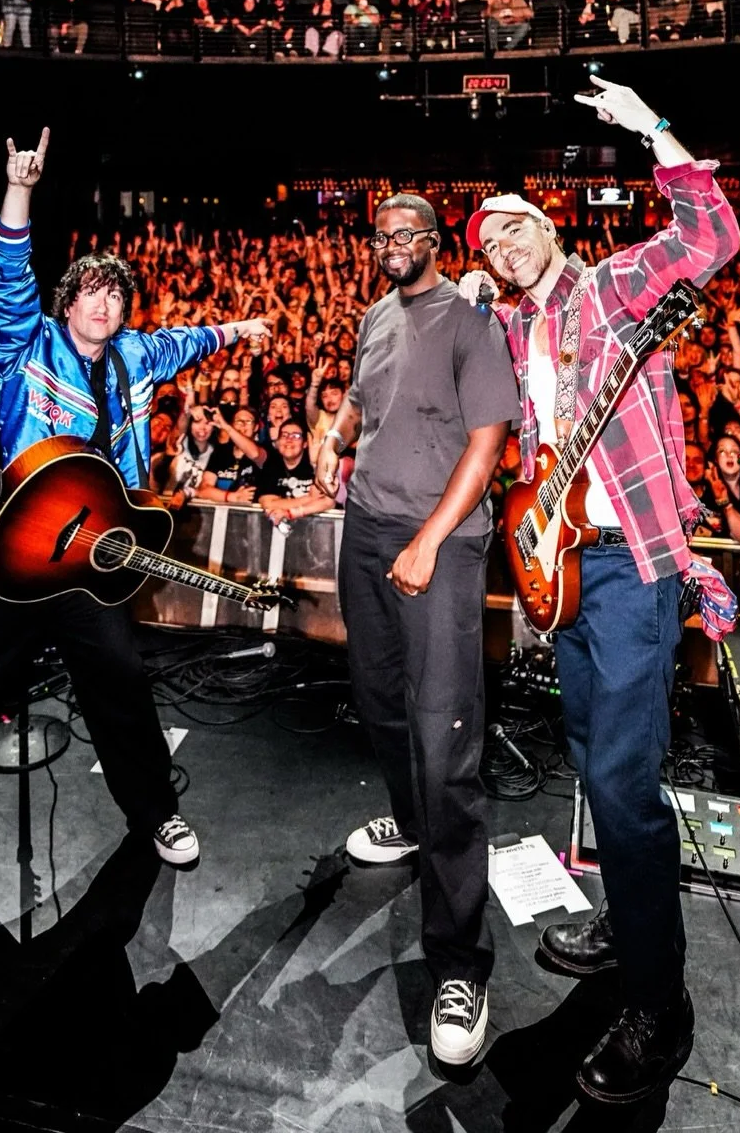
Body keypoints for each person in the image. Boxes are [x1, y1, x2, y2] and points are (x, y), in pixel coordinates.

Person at [0, 129, 271, 883]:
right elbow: (9, 275)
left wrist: (237, 329)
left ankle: (156, 810)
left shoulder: (137, 355)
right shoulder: (26, 342)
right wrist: (19, 190)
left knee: (121, 684)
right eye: (92, 290)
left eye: (117, 293)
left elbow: (191, 341)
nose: (107, 301)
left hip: (86, 566)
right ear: (68, 303)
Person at [457, 76, 740, 1104]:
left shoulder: (608, 292)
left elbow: (712, 234)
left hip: (633, 568)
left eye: (516, 231)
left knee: (624, 787)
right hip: (571, 571)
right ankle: (628, 918)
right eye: (486, 244)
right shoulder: (502, 332)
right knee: (591, 759)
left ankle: (658, 1008)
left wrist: (652, 127)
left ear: (548, 229)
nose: (503, 247)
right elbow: (513, 454)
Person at [316, 193, 519, 1068]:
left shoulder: (469, 322)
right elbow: (365, 397)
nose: (394, 245)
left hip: (439, 543)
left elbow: (490, 438)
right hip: (365, 529)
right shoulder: (374, 315)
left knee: (445, 748)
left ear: (434, 244)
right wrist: (335, 435)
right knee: (378, 704)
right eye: (383, 235)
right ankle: (409, 821)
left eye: (409, 235)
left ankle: (459, 963)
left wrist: (431, 540)